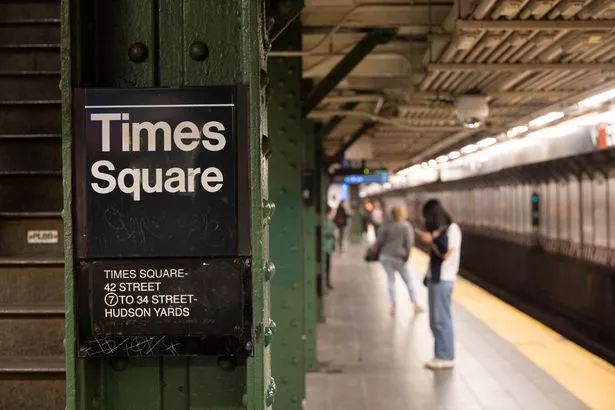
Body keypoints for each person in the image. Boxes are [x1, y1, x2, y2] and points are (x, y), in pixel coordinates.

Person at [417, 199, 462, 370]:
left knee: (441, 318)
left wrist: (431, 241)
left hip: (444, 279)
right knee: (436, 319)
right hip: (436, 278)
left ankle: (445, 355)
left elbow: (446, 254)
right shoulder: (441, 231)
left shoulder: (452, 230)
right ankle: (440, 353)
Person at [376, 206, 424, 317]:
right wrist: (407, 256)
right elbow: (409, 243)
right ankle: (415, 304)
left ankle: (393, 305)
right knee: (408, 281)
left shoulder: (386, 225)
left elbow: (379, 241)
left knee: (390, 280)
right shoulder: (406, 226)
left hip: (386, 256)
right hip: (399, 257)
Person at [323, 205, 336, 289]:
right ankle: (327, 283)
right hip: (327, 247)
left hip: (325, 246)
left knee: (326, 266)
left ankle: (326, 283)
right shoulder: (328, 222)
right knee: (327, 266)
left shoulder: (324, 221)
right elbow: (332, 234)